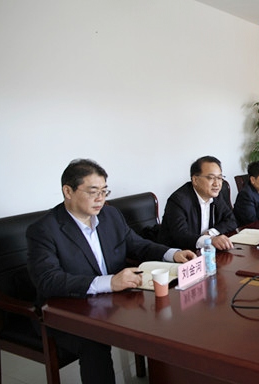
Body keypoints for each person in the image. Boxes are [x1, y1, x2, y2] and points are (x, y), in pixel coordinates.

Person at [26, 159, 196, 384]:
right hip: (67, 309)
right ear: (68, 191)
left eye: (104, 191)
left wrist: (172, 254)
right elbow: (48, 280)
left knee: (166, 313)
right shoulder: (44, 229)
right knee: (93, 342)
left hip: (114, 299)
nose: (101, 199)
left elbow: (138, 245)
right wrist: (109, 282)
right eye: (93, 192)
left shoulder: (110, 215)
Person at [159, 156, 238, 251]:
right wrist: (210, 240)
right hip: (180, 253)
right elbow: (180, 235)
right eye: (211, 178)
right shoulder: (178, 200)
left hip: (206, 251)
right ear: (195, 180)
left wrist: (211, 233)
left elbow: (231, 220)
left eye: (219, 178)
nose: (217, 184)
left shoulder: (215, 196)